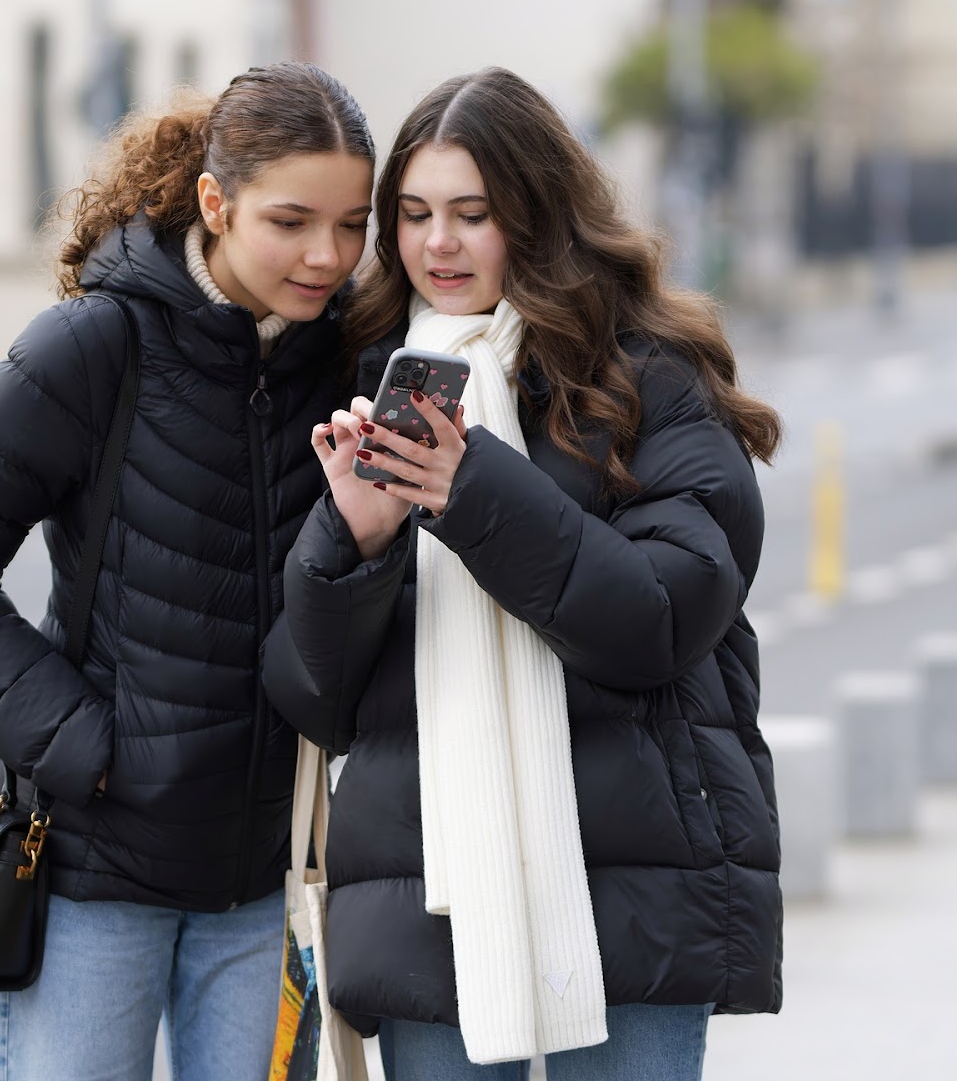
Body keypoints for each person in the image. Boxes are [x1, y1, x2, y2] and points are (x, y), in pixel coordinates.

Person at [262, 66, 784, 1080]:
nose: (437, 245)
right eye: (412, 215)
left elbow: (663, 621)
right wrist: (355, 543)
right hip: (430, 896)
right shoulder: (360, 381)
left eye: (471, 213)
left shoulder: (646, 380)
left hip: (633, 885)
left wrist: (471, 492)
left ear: (538, 217)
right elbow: (314, 695)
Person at [0, 62, 375, 1081]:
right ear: (214, 201)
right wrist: (81, 746)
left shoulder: (348, 364)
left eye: (352, 224)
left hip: (267, 883)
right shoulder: (94, 344)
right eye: (290, 221)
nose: (326, 256)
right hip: (90, 877)